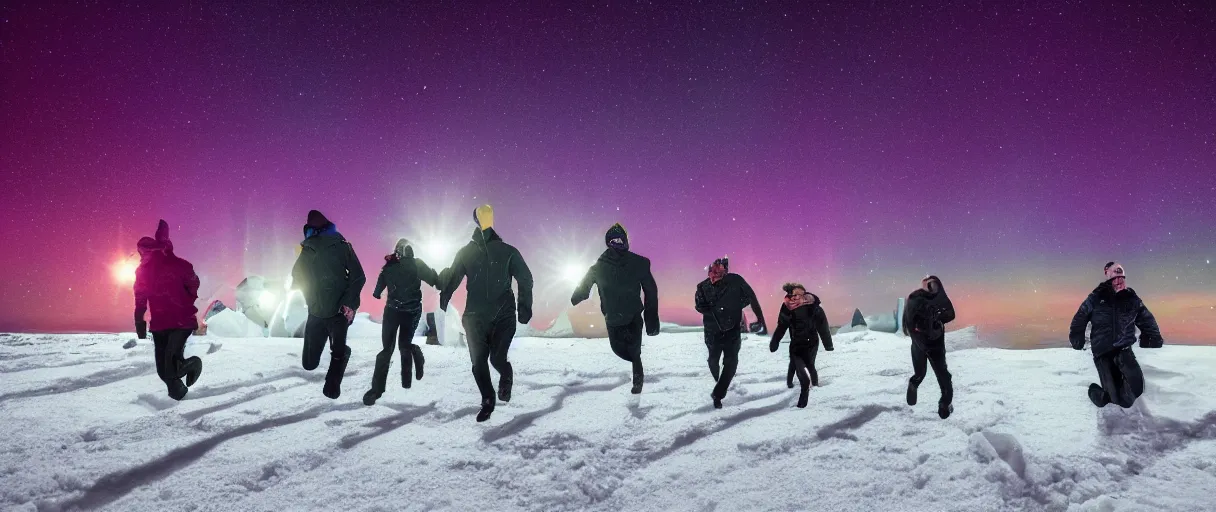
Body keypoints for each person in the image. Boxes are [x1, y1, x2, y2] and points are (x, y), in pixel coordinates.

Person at [439, 205, 534, 422]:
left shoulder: (508, 251)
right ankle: (488, 400)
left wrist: (524, 308)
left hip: (504, 316)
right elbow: (453, 276)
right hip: (474, 317)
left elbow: (525, 278)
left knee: (497, 358)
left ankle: (506, 375)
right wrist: (445, 297)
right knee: (478, 362)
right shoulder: (466, 252)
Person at [571, 223, 660, 394]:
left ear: (626, 241)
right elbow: (585, 285)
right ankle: (635, 362)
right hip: (612, 318)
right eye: (614, 240)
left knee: (635, 350)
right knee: (618, 349)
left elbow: (651, 291)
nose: (618, 243)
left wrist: (651, 320)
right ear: (608, 242)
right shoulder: (598, 267)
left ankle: (637, 379)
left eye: (621, 240)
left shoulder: (639, 263)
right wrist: (577, 296)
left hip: (633, 315)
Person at [291, 210, 366, 399]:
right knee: (309, 364)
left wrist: (348, 303)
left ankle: (333, 383)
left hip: (338, 312)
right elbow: (296, 275)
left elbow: (358, 276)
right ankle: (336, 351)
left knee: (338, 353)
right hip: (316, 312)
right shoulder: (306, 251)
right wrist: (309, 296)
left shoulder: (342, 246)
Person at [1069, 262, 1163, 408]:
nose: (1119, 282)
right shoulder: (1096, 297)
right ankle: (1096, 393)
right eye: (1115, 279)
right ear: (1109, 279)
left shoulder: (1131, 298)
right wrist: (1077, 338)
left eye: (1122, 278)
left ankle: (1117, 387)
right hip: (1103, 353)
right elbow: (1080, 317)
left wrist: (1153, 337)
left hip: (1124, 350)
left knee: (1134, 393)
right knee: (1113, 399)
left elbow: (1146, 318)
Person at [363, 238, 440, 406]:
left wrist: (383, 289)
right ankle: (405, 377)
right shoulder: (416, 264)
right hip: (408, 312)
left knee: (388, 349)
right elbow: (435, 280)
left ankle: (377, 390)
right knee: (404, 345)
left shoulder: (389, 266)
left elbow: (376, 292)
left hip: (395, 311)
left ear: (397, 252)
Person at [134, 220, 203, 400]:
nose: (143, 255)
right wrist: (139, 321)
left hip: (181, 321)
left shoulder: (179, 265)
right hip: (159, 324)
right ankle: (179, 396)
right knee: (163, 372)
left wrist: (185, 299)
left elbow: (194, 283)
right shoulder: (142, 272)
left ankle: (194, 364)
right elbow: (140, 297)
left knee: (171, 366)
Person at [695, 257, 765, 409]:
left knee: (731, 362)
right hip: (712, 331)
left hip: (732, 329)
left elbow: (750, 297)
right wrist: (714, 308)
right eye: (713, 269)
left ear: (726, 271)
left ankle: (718, 393)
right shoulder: (702, 287)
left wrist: (759, 319)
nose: (715, 273)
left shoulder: (735, 280)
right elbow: (699, 306)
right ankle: (719, 380)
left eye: (720, 270)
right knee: (713, 360)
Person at [769, 283, 833, 408]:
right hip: (796, 345)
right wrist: (775, 341)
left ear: (804, 293)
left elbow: (823, 326)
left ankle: (815, 386)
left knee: (810, 365)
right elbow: (782, 326)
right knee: (800, 371)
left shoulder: (813, 306)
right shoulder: (787, 307)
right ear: (790, 294)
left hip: (812, 343)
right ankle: (802, 401)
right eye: (794, 294)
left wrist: (828, 344)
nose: (797, 297)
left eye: (800, 293)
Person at [901, 275, 956, 419]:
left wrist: (936, 319)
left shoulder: (915, 298)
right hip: (931, 345)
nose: (931, 286)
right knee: (943, 376)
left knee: (924, 373)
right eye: (929, 283)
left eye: (933, 284)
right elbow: (908, 324)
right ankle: (944, 404)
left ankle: (943, 404)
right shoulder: (917, 299)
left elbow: (950, 314)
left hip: (922, 344)